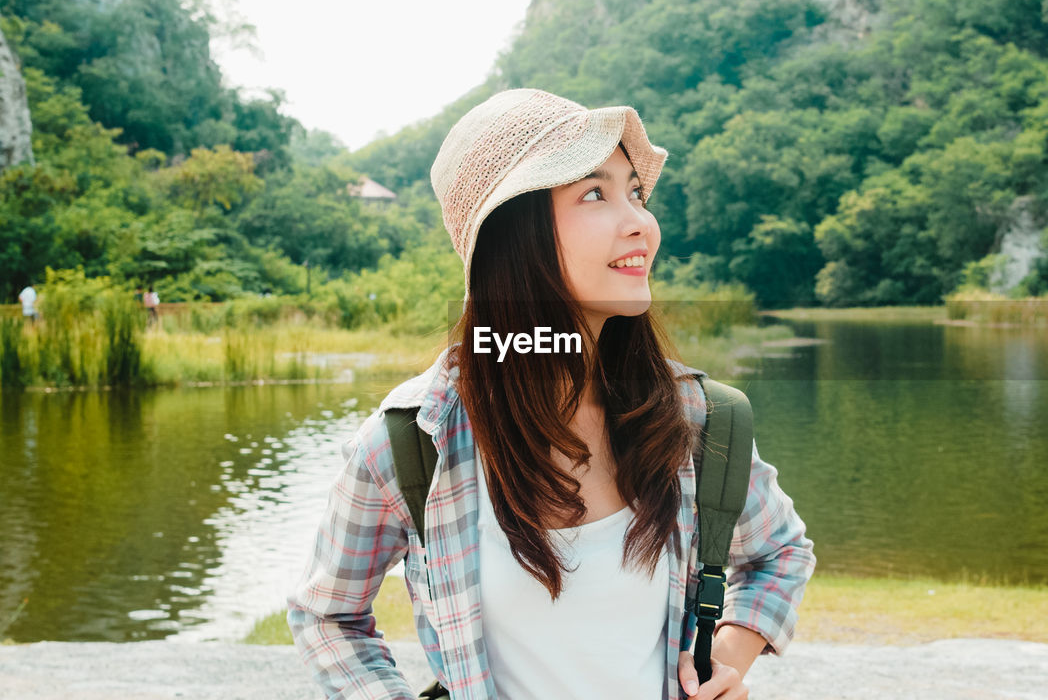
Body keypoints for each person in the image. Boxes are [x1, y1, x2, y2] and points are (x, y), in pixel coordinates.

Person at [287, 88, 816, 700]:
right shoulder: (412, 440)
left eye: (635, 192)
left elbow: (780, 553)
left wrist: (720, 663)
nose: (640, 222)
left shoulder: (697, 417)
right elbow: (328, 614)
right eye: (595, 193)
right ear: (513, 237)